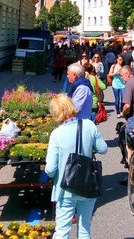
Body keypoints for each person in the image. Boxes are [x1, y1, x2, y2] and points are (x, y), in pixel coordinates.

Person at [45, 94, 108, 239]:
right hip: (88, 184)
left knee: (62, 231)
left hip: (65, 188)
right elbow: (103, 149)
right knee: (85, 228)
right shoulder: (89, 125)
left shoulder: (56, 134)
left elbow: (50, 169)